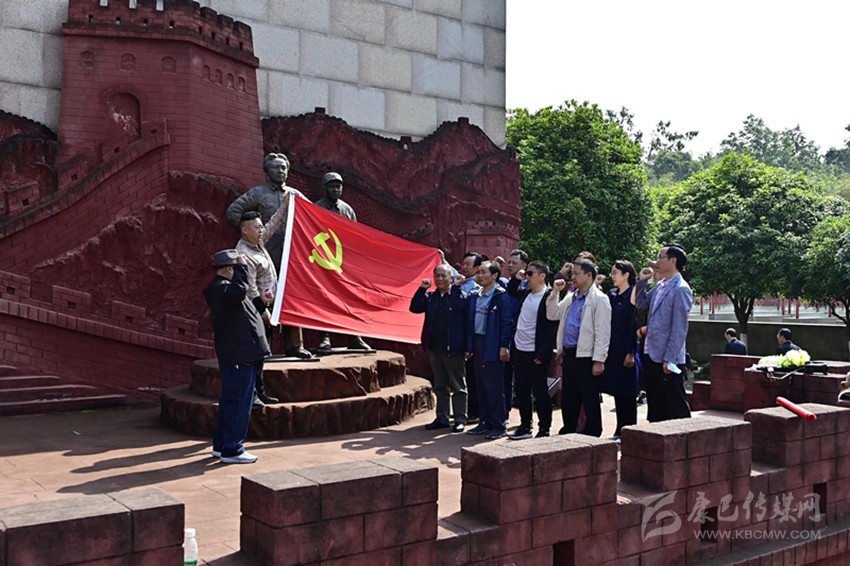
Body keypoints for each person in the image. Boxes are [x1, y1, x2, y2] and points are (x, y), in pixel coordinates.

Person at [225, 153, 313, 359]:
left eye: (284, 168)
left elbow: (312, 213)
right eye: (276, 167)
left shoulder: (294, 194)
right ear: (267, 171)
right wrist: (249, 235)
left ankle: (295, 346)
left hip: (291, 257)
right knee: (262, 300)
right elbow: (233, 211)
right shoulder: (258, 193)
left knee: (292, 299)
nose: (281, 171)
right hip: (264, 256)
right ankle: (263, 347)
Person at [203, 249, 270, 464]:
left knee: (232, 401)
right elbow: (239, 292)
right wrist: (242, 266)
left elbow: (243, 306)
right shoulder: (221, 289)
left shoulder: (227, 291)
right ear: (230, 269)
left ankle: (222, 446)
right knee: (239, 403)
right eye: (237, 269)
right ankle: (233, 449)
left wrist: (262, 301)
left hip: (240, 355)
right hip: (238, 355)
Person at [547, 258, 611, 437]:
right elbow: (552, 314)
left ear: (589, 275)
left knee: (589, 398)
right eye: (572, 273)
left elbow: (603, 332)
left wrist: (599, 360)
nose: (572, 277)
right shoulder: (571, 297)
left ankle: (593, 434)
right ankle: (569, 431)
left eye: (576, 273)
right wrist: (555, 292)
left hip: (587, 357)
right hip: (569, 355)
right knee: (569, 398)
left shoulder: (600, 299)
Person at [313, 172, 371, 352]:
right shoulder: (316, 208)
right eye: (332, 186)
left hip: (343, 262)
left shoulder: (347, 210)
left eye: (338, 186)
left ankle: (354, 335)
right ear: (324, 188)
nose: (336, 190)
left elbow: (355, 236)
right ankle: (325, 338)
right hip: (324, 261)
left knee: (349, 297)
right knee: (324, 299)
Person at [410, 264, 468, 433]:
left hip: (454, 348)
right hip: (435, 348)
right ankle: (442, 418)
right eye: (438, 276)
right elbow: (414, 307)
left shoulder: (458, 296)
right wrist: (422, 289)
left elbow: (462, 310)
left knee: (458, 386)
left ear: (451, 278)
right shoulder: (430, 297)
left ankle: (460, 419)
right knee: (440, 386)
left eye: (444, 276)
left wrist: (456, 288)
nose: (441, 279)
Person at [507, 261, 558, 439]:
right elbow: (511, 290)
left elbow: (552, 328)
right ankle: (525, 426)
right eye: (526, 273)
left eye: (530, 273)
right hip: (519, 349)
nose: (527, 277)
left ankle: (544, 428)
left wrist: (543, 353)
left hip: (535, 352)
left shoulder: (549, 296)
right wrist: (517, 278)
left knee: (540, 392)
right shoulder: (525, 293)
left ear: (542, 276)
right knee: (522, 391)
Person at [461, 261, 513, 440]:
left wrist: (503, 346)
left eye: (484, 272)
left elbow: (506, 323)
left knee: (493, 386)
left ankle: (498, 425)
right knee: (480, 385)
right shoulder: (475, 295)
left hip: (492, 343)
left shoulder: (501, 296)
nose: (480, 275)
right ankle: (484, 422)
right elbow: (469, 322)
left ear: (495, 275)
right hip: (477, 343)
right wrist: (469, 347)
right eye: (479, 272)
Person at [234, 212, 279, 407]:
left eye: (261, 227)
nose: (261, 230)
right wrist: (263, 312)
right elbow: (250, 290)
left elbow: (273, 225)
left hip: (265, 306)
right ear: (245, 230)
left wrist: (287, 204)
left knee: (262, 354)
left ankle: (259, 392)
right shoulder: (244, 254)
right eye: (257, 227)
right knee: (253, 354)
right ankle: (251, 395)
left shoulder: (258, 243)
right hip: (253, 312)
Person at [643, 245, 693, 422]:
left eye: (660, 257)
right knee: (656, 403)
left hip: (668, 358)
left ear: (673, 260)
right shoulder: (660, 285)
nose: (657, 261)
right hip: (651, 352)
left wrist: (670, 358)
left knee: (675, 402)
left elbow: (680, 327)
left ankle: (686, 434)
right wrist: (642, 281)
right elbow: (641, 303)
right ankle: (656, 433)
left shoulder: (681, 288)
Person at [600, 260, 640, 440]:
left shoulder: (633, 294)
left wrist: (631, 351)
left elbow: (634, 323)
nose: (612, 276)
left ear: (626, 275)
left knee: (628, 392)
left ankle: (629, 432)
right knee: (617, 390)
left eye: (615, 272)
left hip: (627, 349)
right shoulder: (612, 294)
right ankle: (619, 430)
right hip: (613, 348)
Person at [503, 249, 529, 416]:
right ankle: (504, 411)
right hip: (507, 335)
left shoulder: (530, 285)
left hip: (523, 338)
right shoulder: (506, 283)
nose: (510, 265)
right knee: (505, 375)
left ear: (524, 265)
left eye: (514, 263)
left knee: (521, 380)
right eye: (509, 262)